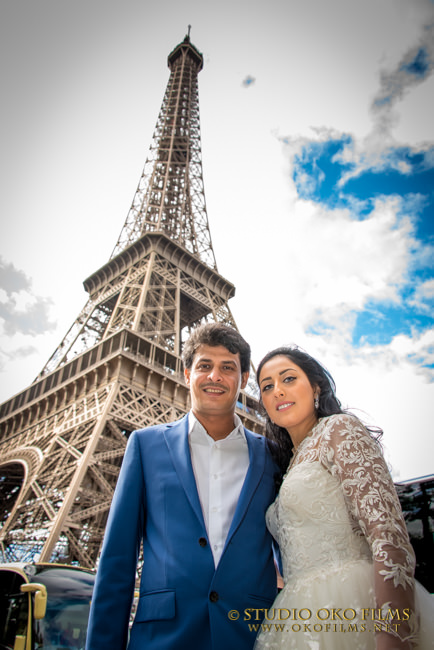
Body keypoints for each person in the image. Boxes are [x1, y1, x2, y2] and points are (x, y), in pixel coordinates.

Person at [85, 323, 279, 650]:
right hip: (163, 638)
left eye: (227, 368)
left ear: (244, 379)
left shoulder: (272, 457)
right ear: (187, 374)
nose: (215, 376)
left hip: (251, 636)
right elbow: (117, 562)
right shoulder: (145, 446)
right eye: (205, 366)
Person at [253, 345, 433, 650]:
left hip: (357, 602)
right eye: (267, 387)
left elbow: (388, 534)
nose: (278, 391)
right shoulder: (290, 464)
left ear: (316, 387)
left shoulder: (339, 429)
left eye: (288, 379)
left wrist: (393, 633)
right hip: (300, 615)